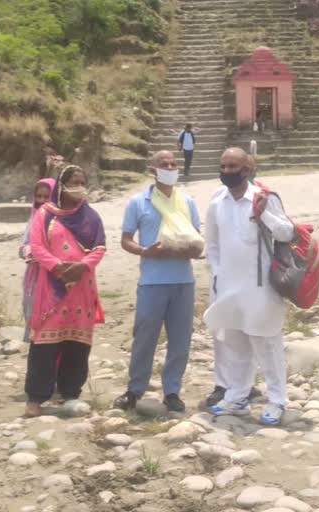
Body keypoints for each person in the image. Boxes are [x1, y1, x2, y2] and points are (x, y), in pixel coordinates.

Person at [204, 147, 294, 425]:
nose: (227, 172)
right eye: (223, 166)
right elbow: (213, 244)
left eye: (234, 167)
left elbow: (286, 233)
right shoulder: (217, 201)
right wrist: (217, 274)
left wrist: (263, 213)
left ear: (247, 169)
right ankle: (237, 396)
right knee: (234, 341)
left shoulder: (264, 198)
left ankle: (277, 400)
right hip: (229, 285)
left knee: (266, 341)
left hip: (261, 286)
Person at [113, 150, 203, 413]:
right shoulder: (138, 202)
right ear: (152, 169)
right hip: (152, 282)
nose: (170, 167)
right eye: (164, 164)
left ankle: (172, 391)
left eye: (173, 164)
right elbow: (126, 239)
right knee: (144, 336)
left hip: (183, 281)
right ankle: (134, 389)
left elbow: (196, 238)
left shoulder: (186, 202)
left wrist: (192, 251)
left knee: (180, 338)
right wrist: (143, 251)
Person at [24, 165, 107, 417]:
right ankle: (36, 398)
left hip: (82, 287)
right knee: (44, 345)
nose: (79, 187)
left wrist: (82, 266)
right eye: (74, 182)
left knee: (77, 343)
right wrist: (58, 267)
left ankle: (71, 393)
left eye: (83, 182)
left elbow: (100, 247)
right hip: (52, 285)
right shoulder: (46, 215)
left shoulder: (91, 216)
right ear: (61, 185)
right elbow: (37, 247)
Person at [20, 178, 56, 343]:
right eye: (38, 196)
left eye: (46, 197)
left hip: (55, 276)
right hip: (34, 277)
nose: (41, 201)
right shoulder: (33, 218)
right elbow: (23, 245)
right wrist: (28, 252)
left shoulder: (61, 220)